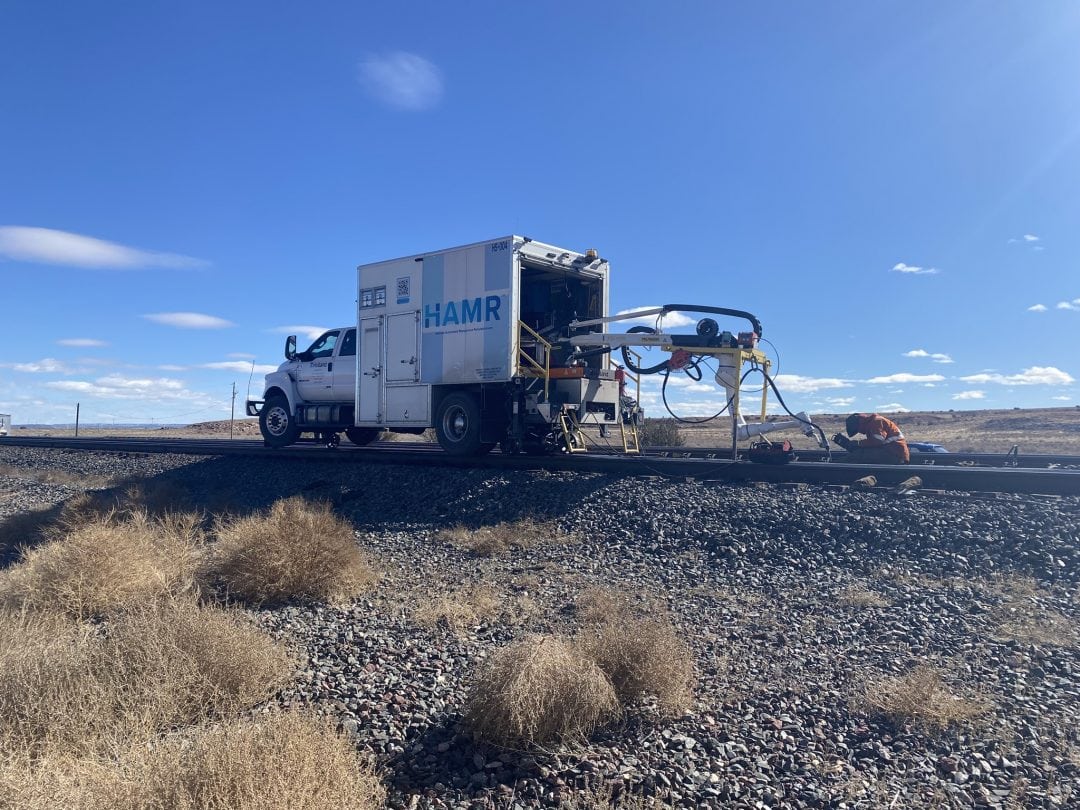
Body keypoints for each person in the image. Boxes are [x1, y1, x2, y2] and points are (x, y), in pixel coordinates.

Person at [832, 412, 910, 464]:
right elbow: (875, 444)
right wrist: (854, 445)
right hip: (893, 452)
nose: (860, 432)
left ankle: (836, 466)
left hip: (893, 454)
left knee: (858, 455)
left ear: (860, 423)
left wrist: (857, 443)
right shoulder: (872, 423)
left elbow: (878, 441)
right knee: (860, 452)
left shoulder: (876, 422)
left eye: (858, 430)